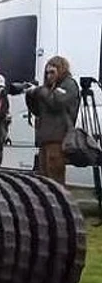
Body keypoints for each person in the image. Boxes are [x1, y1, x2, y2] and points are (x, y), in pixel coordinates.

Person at [25, 55, 80, 185]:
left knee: (56, 180)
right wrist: (30, 96)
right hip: (44, 139)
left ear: (61, 70)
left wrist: (40, 90)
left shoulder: (69, 84)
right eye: (47, 72)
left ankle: (61, 205)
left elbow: (57, 102)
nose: (49, 75)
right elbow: (37, 111)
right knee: (45, 181)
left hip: (58, 139)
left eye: (52, 72)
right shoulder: (48, 89)